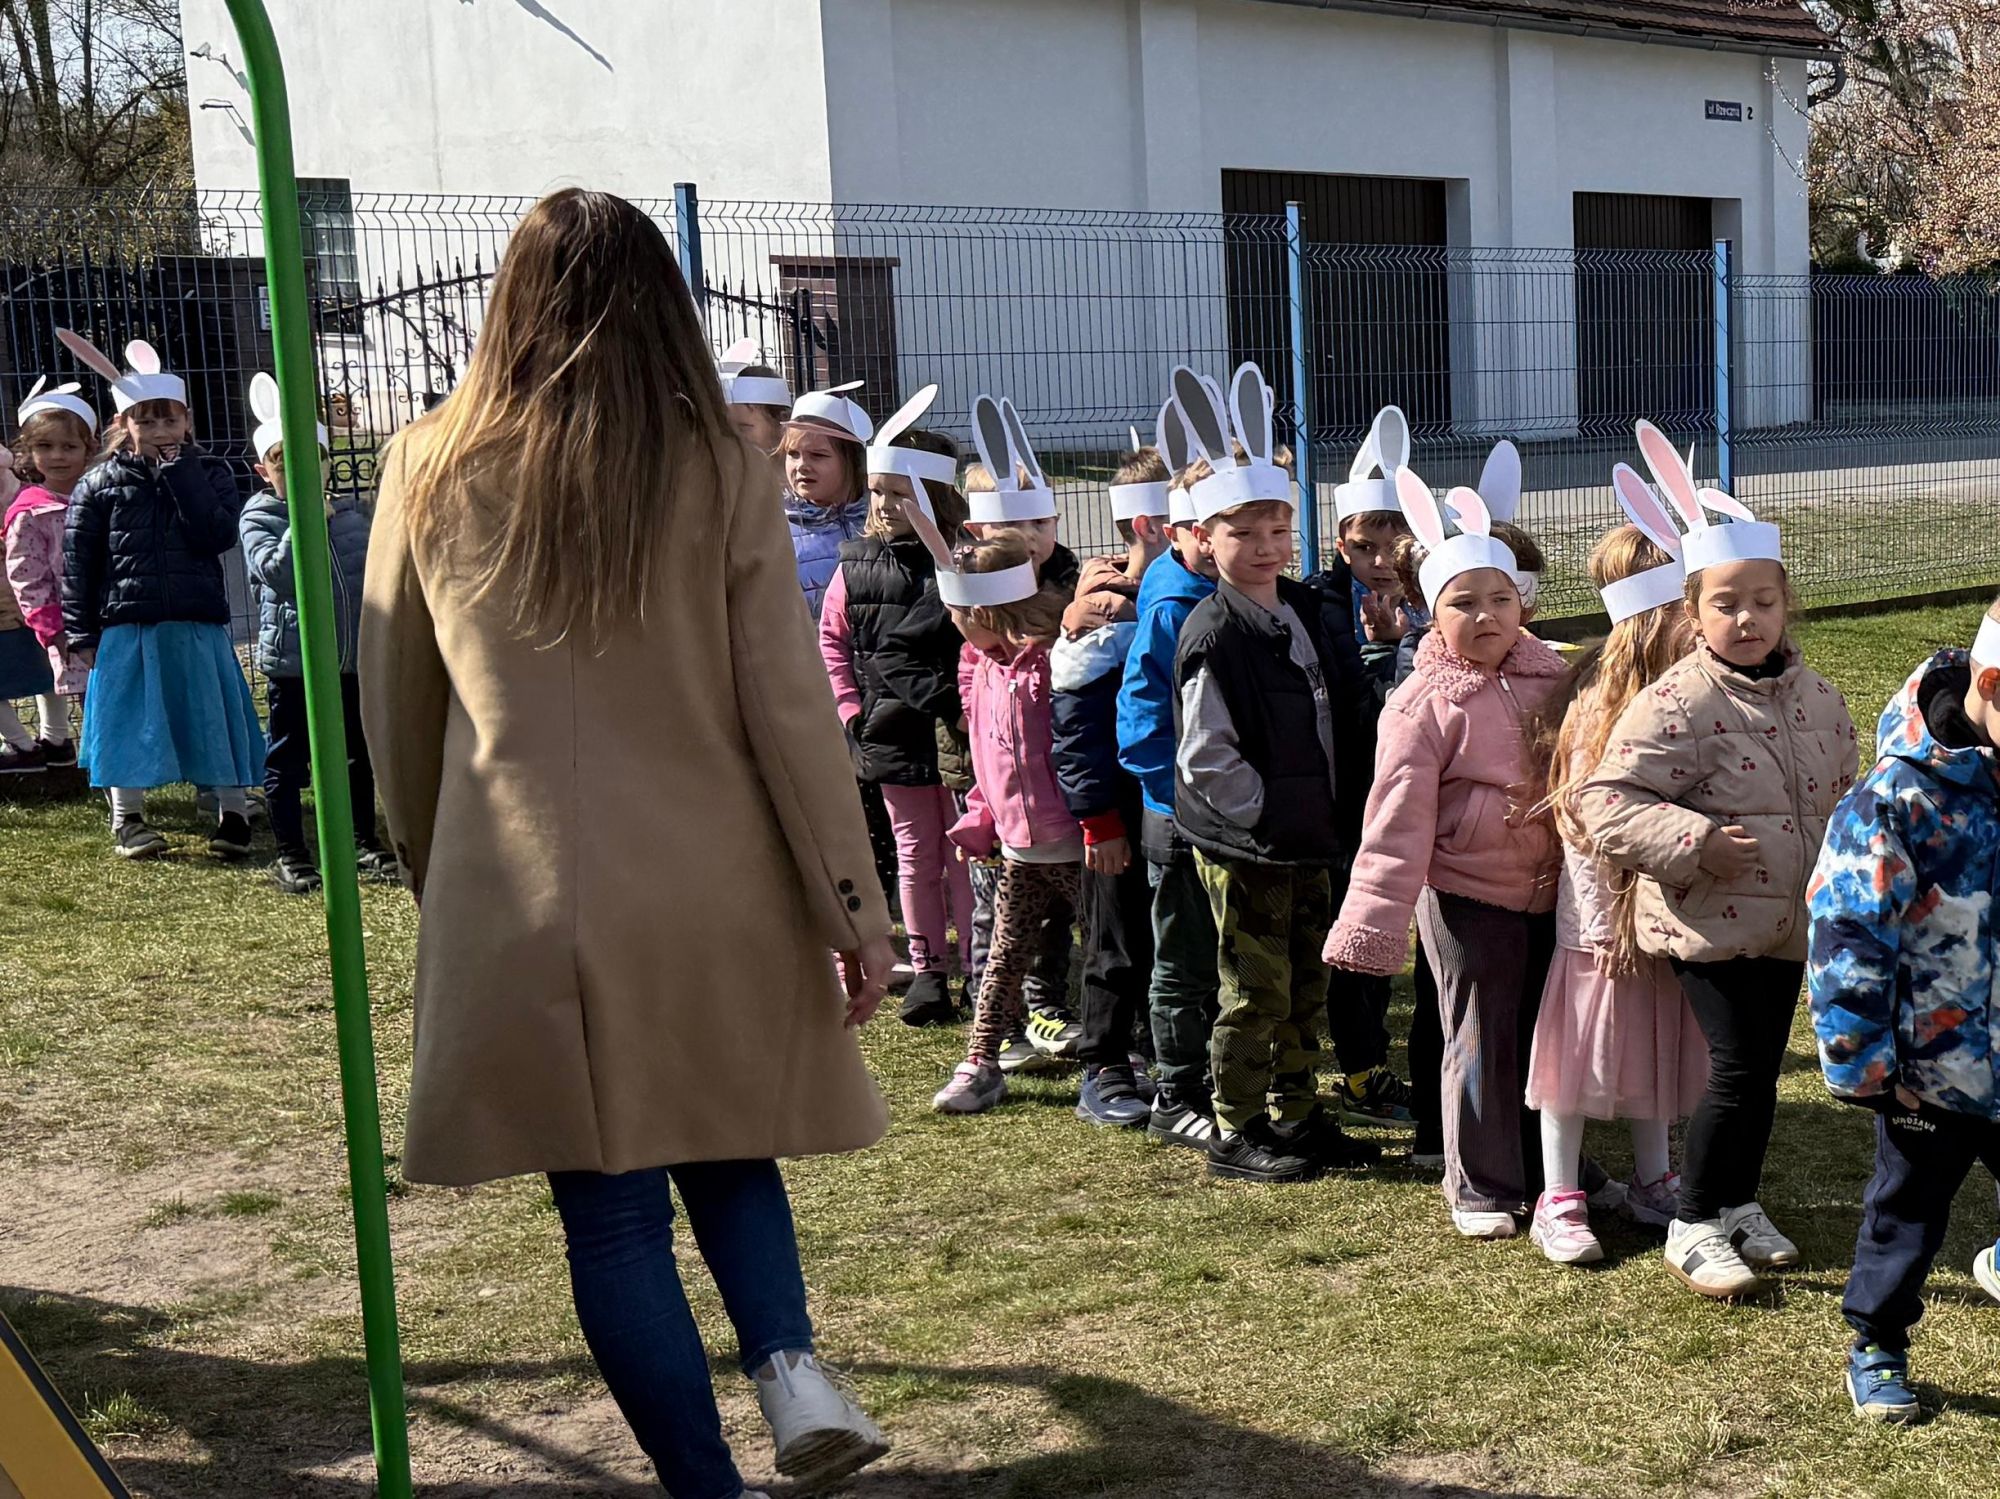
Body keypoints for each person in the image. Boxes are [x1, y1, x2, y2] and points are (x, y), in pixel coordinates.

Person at [358, 188, 893, 1499]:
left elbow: (395, 695)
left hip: (519, 884)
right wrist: (850, 900)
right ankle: (789, 1369)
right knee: (730, 1137)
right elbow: (786, 703)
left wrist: (437, 865)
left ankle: (704, 1483)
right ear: (665, 304)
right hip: (711, 877)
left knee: (606, 1213)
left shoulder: (427, 461)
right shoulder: (720, 465)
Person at [1577, 419, 1856, 1298]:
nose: (1746, 618)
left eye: (1762, 601)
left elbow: (1843, 788)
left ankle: (1738, 1200)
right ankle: (1693, 1220)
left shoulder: (1819, 698)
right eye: (1725, 603)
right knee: (1734, 1069)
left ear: (1786, 603)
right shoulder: (1680, 701)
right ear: (1692, 612)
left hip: (1787, 920)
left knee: (1762, 1070)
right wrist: (1695, 843)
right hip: (1707, 917)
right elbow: (1605, 800)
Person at [1325, 465, 1565, 1237]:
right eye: (1464, 603)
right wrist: (1373, 923)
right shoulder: (1420, 703)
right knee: (1479, 1037)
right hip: (1465, 893)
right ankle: (1480, 1184)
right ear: (1431, 609)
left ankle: (1546, 1168)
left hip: (1548, 892)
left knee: (1540, 1032)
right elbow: (1394, 820)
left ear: (1523, 603)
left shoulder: (1553, 678)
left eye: (1501, 599)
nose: (1486, 616)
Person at [1172, 366, 1377, 1183]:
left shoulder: (1301, 609)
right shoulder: (1213, 633)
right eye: (1244, 531)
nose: (1264, 545)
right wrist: (1265, 814)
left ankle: (1295, 1114)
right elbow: (1206, 755)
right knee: (1253, 991)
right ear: (1207, 536)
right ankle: (1237, 1126)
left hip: (1308, 836)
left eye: (1278, 528)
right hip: (1252, 845)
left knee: (1303, 984)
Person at [1810, 596, 2000, 1423]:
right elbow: (1848, 935)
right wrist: (1866, 1066)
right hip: (1932, 1068)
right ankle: (1877, 1339)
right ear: (1992, 686)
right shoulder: (1897, 799)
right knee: (1907, 1213)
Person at [1520, 495, 1709, 1266]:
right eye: (1688, 607)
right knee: (1578, 1054)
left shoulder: (1688, 688)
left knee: (1653, 1038)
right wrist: (1621, 894)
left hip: (1664, 900)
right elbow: (1585, 816)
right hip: (1603, 912)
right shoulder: (1601, 701)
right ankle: (1558, 1195)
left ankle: (1654, 1177)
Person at [59, 331, 265, 859]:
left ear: (187, 420)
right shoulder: (97, 484)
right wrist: (80, 632)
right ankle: (128, 818)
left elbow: (216, 535)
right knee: (126, 720)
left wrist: (182, 476)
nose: (158, 431)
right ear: (123, 424)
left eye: (169, 420)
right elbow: (79, 563)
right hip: (126, 625)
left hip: (195, 621)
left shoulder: (211, 473)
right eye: (145, 421)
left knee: (211, 716)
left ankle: (233, 813)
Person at [818, 390, 974, 1024]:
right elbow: (832, 640)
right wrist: (850, 712)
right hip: (890, 731)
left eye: (898, 493)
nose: (882, 504)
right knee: (915, 854)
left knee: (964, 852)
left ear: (933, 495)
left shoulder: (962, 561)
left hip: (960, 734)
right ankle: (929, 969)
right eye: (878, 492)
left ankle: (979, 967)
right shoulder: (856, 565)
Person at [933, 526, 1082, 1115]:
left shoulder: (1054, 663)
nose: (954, 625)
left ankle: (1124, 1056)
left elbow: (1073, 753)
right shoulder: (983, 668)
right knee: (1005, 954)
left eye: (959, 615)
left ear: (988, 613)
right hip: (1019, 850)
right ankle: (981, 1061)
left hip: (1075, 847)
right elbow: (989, 757)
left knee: (1107, 951)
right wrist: (981, 818)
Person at [1305, 405, 1419, 1128]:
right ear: (1340, 544)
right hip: (1340, 800)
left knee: (1387, 938)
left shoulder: (1433, 602)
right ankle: (1358, 1069)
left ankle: (1371, 1065)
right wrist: (1377, 653)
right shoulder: (1313, 603)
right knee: (1352, 935)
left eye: (1392, 546)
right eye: (1363, 547)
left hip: (1406, 799)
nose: (1378, 561)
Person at [238, 374, 397, 894]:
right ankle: (291, 852)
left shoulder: (351, 515)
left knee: (355, 752)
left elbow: (374, 573)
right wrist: (303, 523)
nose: (302, 470)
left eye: (314, 459)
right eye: (283, 461)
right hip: (295, 663)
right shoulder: (260, 515)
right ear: (264, 470)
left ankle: (362, 840)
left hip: (348, 659)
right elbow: (278, 574)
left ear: (329, 463)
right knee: (288, 757)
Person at [1052, 445, 1171, 1128]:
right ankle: (1104, 1062)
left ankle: (1160, 1053)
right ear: (1150, 525)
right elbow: (1076, 728)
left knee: (1167, 936)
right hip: (1120, 813)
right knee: (1114, 937)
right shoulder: (1102, 614)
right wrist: (1099, 818)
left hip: (1172, 806)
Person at [1118, 416, 1223, 1150]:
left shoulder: (1220, 591)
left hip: (1224, 812)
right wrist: (1178, 794)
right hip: (1180, 813)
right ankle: (1176, 1090)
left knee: (1219, 952)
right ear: (1186, 530)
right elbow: (1140, 720)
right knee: (1183, 958)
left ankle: (1216, 1075)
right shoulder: (1173, 606)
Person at [3, 381, 97, 772]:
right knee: (93, 702)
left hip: (118, 619)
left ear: (89, 449)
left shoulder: (101, 495)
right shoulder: (29, 512)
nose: (57, 456)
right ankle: (110, 781)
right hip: (70, 630)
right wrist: (51, 627)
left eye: (69, 446)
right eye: (45, 446)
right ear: (27, 451)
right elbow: (26, 577)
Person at [779, 382, 872, 623]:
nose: (801, 466)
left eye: (817, 455)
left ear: (851, 460)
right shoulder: (775, 529)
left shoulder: (878, 520)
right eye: (793, 454)